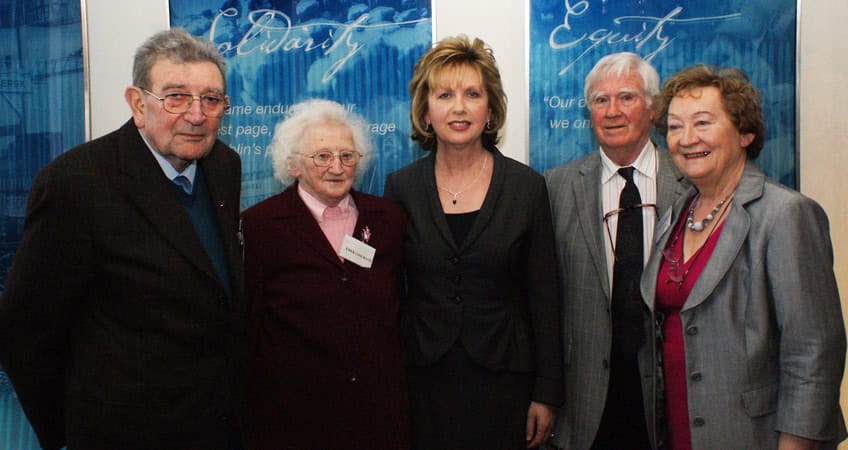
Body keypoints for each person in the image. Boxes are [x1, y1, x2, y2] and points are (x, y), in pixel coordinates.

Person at [0, 29, 244, 449]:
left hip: (217, 426)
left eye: (211, 98)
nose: (197, 114)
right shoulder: (75, 185)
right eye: (176, 96)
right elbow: (25, 331)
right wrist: (70, 431)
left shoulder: (223, 165)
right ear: (137, 104)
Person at [643, 64, 846, 449]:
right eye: (673, 126)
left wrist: (796, 444)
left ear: (745, 132)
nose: (686, 139)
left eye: (702, 123)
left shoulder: (785, 214)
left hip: (756, 436)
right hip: (681, 428)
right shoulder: (676, 213)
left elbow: (814, 350)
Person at [383, 35, 563, 450]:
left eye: (472, 94)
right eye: (444, 94)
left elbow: (545, 297)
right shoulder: (402, 187)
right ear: (425, 113)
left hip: (507, 382)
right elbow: (390, 291)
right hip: (423, 379)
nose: (459, 107)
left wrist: (547, 393)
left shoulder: (527, 188)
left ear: (491, 109)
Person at [240, 99, 409, 450]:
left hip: (376, 417)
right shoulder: (261, 226)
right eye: (322, 156)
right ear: (294, 164)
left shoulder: (388, 219)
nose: (337, 166)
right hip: (294, 418)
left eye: (347, 156)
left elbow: (402, 309)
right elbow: (249, 326)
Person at [544, 52, 689, 450]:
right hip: (584, 395)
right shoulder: (554, 188)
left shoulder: (690, 184)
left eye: (626, 97)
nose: (612, 112)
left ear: (653, 107)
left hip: (671, 391)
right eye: (599, 100)